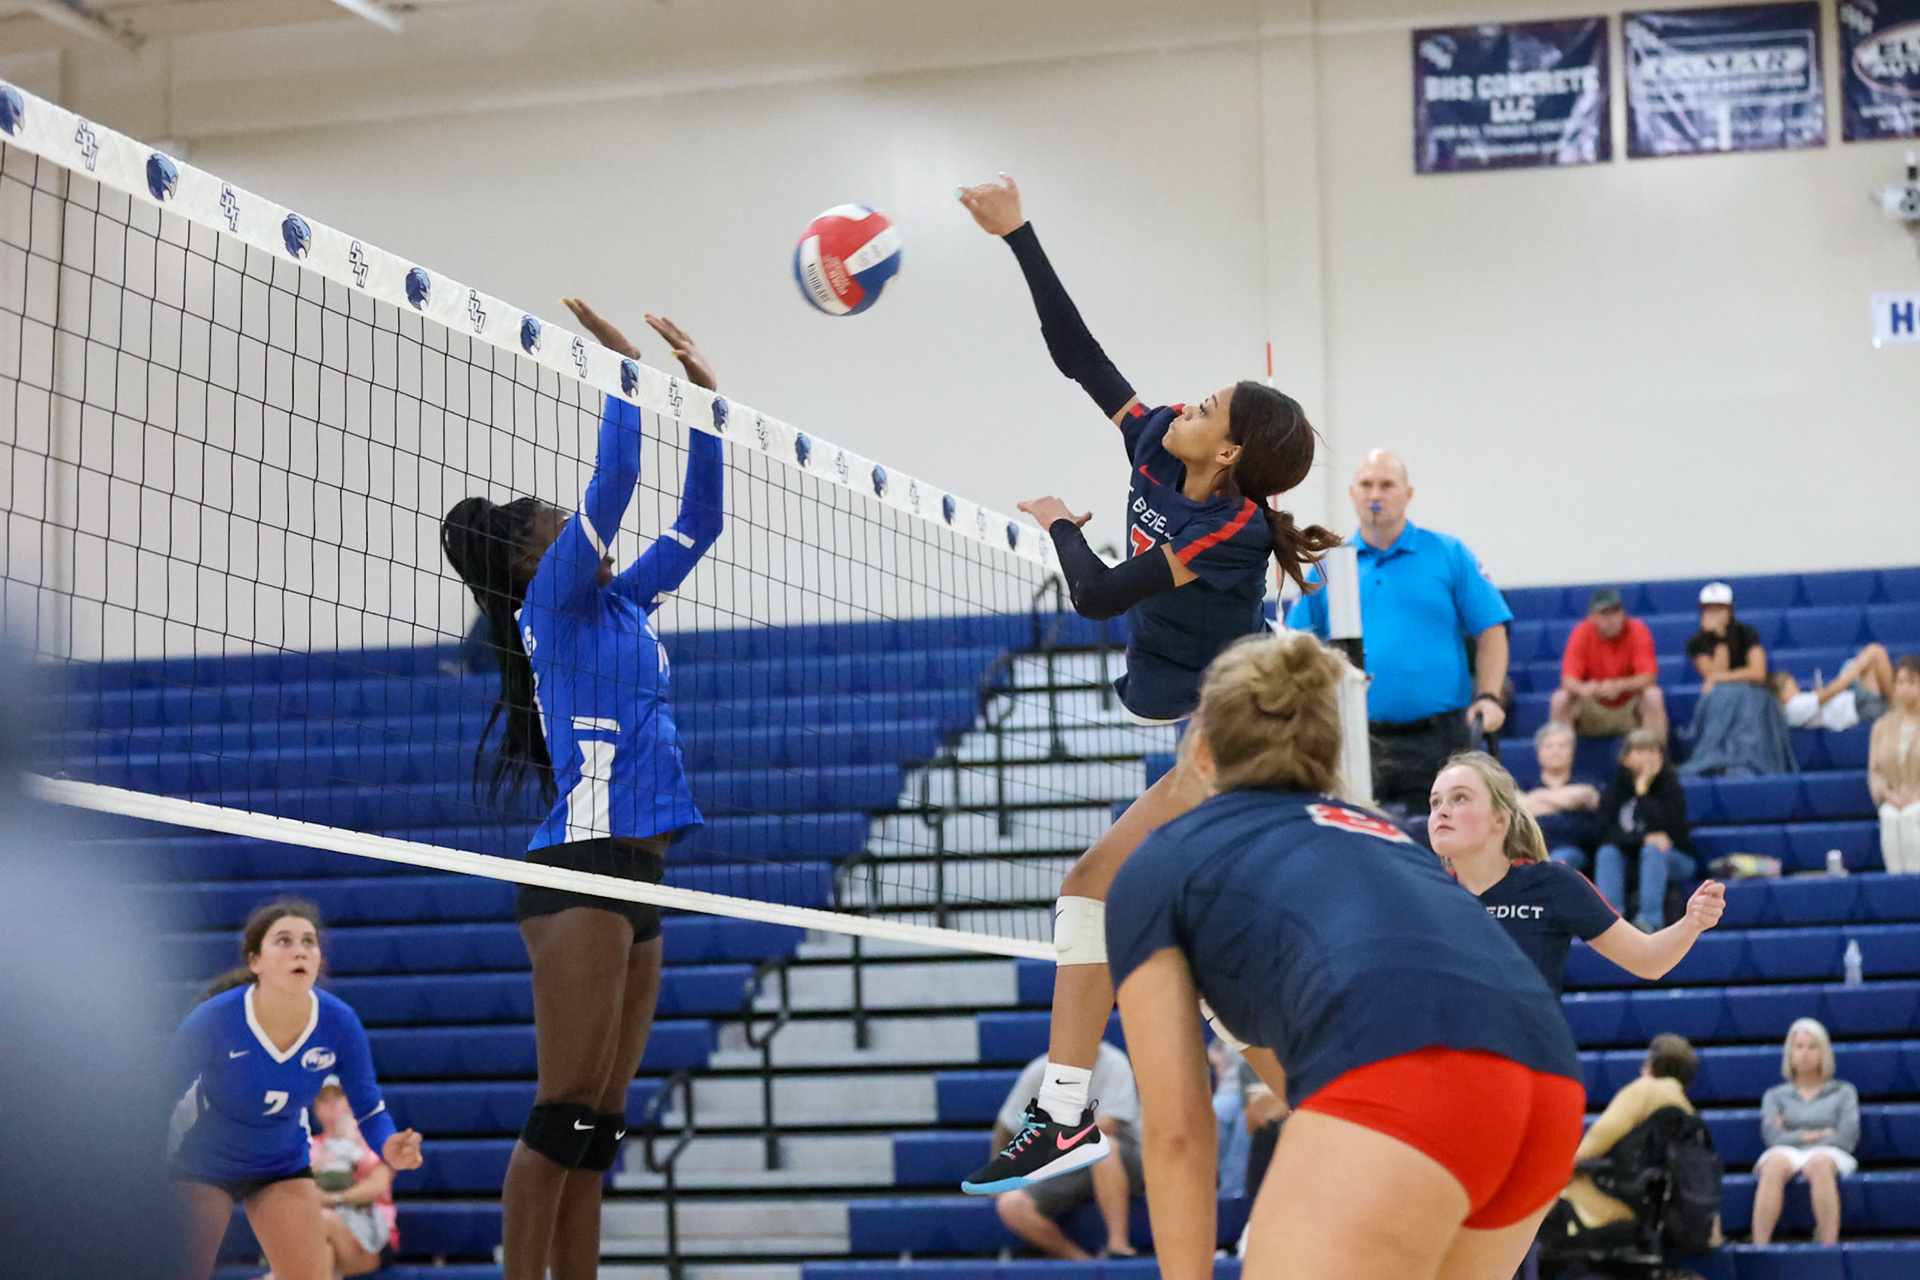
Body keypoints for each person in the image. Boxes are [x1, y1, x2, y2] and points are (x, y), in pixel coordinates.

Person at [955, 173, 1339, 1192]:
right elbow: (1079, 352)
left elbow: (1094, 596)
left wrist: (1061, 522)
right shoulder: (1157, 440)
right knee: (1127, 912)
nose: (1188, 399)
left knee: (1122, 905)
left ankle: (1321, 1108)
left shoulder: (1229, 528)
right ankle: (1075, 1113)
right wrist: (1019, 235)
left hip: (1245, 725)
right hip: (1203, 725)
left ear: (1233, 449)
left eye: (1210, 403)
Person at [1108, 631, 1585, 1280]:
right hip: (1547, 1083)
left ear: (1200, 753)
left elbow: (1179, 1134)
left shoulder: (1160, 861)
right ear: (1332, 755)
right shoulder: (1389, 835)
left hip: (1409, 1075)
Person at [440, 301, 723, 1280]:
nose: (590, 534)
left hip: (638, 874)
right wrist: (622, 375)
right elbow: (615, 480)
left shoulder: (623, 602)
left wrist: (707, 408)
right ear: (536, 560)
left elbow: (700, 521)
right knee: (560, 1115)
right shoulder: (553, 604)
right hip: (581, 868)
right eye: (567, 531)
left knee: (598, 1129)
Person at [166, 900, 423, 1280]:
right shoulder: (213, 1019)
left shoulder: (339, 1022)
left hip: (279, 1162)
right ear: (255, 961)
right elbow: (158, 1097)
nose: (300, 950)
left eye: (309, 942)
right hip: (202, 1159)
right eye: (284, 941)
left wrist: (388, 1146)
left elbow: (369, 1110)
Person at [1286, 450, 1512, 811]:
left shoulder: (1448, 553)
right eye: (1366, 485)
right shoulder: (1331, 567)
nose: (1375, 495)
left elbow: (1492, 630)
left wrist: (1489, 695)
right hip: (1358, 737)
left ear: (1408, 494)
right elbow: (1297, 642)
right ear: (1352, 492)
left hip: (1441, 737)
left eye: (1387, 485)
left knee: (1443, 843)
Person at [1430, 752, 1723, 997]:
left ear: (1500, 819)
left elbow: (1648, 961)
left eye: (1459, 799)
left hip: (1531, 1063)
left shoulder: (1553, 883)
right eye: (1435, 802)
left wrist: (1691, 924)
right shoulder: (1422, 894)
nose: (1442, 811)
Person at [986, 1044, 1142, 1259]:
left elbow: (1112, 1122)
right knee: (1011, 1204)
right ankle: (1082, 1262)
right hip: (1068, 1165)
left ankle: (1118, 1245)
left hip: (1126, 1160)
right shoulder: (1040, 1070)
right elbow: (1006, 1125)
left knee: (1103, 1145)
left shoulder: (1115, 1063)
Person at [1562, 1034, 1703, 1233]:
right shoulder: (1689, 1113)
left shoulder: (1643, 1091)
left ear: (1651, 1065)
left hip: (1606, 1208)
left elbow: (1587, 1151)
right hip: (1661, 1217)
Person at [1751, 1018, 1861, 1246]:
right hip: (1787, 1150)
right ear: (1789, 1053)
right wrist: (1812, 1134)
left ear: (1824, 1053)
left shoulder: (1843, 1092)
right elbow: (1773, 1137)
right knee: (1773, 1165)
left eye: (1812, 1047)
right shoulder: (1775, 1095)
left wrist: (1796, 1133)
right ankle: (1759, 1246)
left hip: (1830, 1152)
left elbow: (1846, 1136)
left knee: (1819, 1164)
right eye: (1798, 1047)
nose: (1804, 1053)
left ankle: (1828, 1245)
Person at [1592, 730, 1697, 932]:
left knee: (1652, 851)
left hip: (1675, 858)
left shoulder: (1670, 786)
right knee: (1607, 853)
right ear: (1626, 757)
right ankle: (1610, 922)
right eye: (1640, 751)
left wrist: (1643, 790)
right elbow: (1605, 835)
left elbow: (1672, 833)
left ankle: (1649, 921)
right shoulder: (1615, 788)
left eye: (1652, 751)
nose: (1647, 757)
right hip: (1631, 858)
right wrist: (1642, 838)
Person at [310, 1078, 400, 1276]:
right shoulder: (308, 1148)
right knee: (324, 1251)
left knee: (320, 1219)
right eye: (324, 1099)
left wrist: (332, 1199)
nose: (332, 1104)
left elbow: (377, 1185)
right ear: (315, 1107)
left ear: (350, 1101)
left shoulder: (372, 1142)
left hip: (371, 1240)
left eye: (338, 1097)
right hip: (321, 1238)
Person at [1552, 587, 1666, 740]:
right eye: (1605, 614)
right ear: (1592, 617)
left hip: (1629, 706)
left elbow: (1649, 676)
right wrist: (1584, 688)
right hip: (1592, 707)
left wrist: (1620, 686)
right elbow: (1568, 680)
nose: (1611, 619)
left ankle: (1656, 758)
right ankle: (1559, 760)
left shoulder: (1637, 629)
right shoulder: (1581, 632)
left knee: (1653, 696)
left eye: (1616, 612)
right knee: (1560, 700)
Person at [1769, 642, 1896, 733]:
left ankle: (1895, 702)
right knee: (1875, 652)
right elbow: (1830, 693)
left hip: (1853, 698)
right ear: (1783, 693)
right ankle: (1897, 706)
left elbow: (1822, 698)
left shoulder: (1798, 704)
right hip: (1857, 705)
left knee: (1859, 662)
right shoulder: (1792, 706)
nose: (1797, 689)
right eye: (1793, 686)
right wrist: (1849, 675)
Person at [1523, 721, 1601, 866]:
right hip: (1530, 852)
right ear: (1538, 752)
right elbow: (1520, 807)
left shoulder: (1587, 782)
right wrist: (1570, 802)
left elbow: (1587, 796)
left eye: (1562, 746)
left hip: (1573, 851)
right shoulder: (1524, 784)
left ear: (1572, 751)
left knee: (1557, 862)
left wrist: (1536, 799)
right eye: (1549, 746)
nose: (1555, 751)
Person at [1871, 655, 1920, 874]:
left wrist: (1915, 795)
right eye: (1899, 682)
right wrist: (1887, 794)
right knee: (1890, 815)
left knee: (1912, 815)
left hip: (1917, 799)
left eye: (1910, 682)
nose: (1903, 688)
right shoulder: (1882, 726)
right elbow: (1875, 771)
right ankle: (1895, 883)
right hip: (1893, 797)